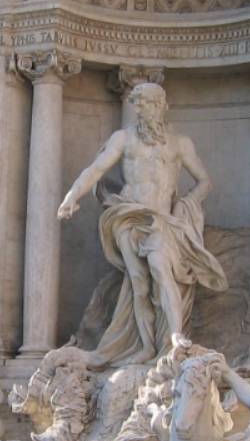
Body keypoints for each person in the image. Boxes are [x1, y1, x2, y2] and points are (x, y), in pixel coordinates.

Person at [58, 81, 226, 367]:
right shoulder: (123, 139)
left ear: (161, 106)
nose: (141, 109)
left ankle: (175, 338)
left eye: (146, 103)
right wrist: (72, 196)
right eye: (137, 104)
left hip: (161, 220)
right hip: (128, 216)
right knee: (138, 282)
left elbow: (205, 181)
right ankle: (147, 346)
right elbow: (96, 169)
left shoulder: (179, 144)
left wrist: (185, 206)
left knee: (161, 268)